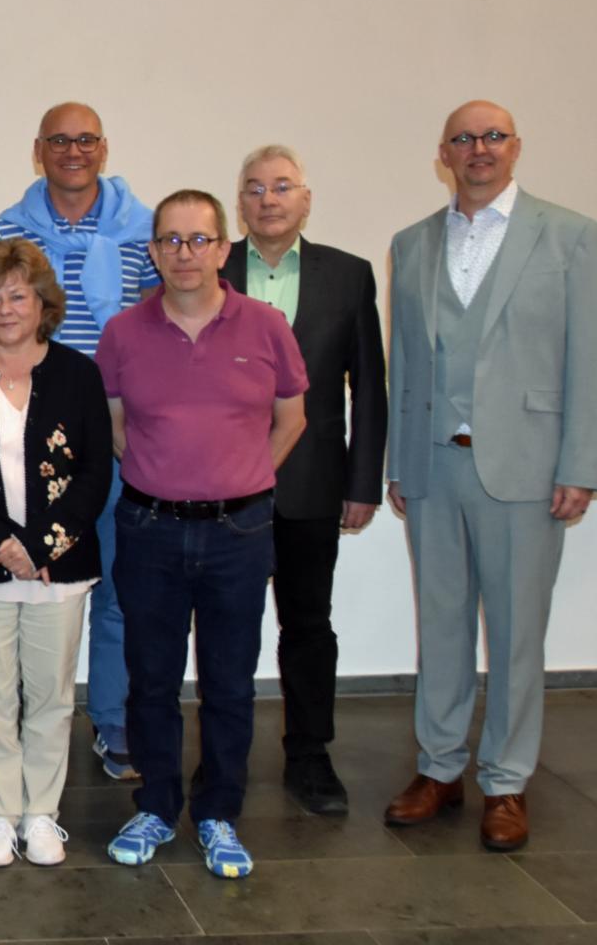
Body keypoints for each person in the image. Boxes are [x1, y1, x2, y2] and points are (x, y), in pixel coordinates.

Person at [380, 101, 597, 853]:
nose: (478, 149)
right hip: (434, 466)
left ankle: (505, 781)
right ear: (442, 152)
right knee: (440, 624)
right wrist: (399, 463)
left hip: (526, 466)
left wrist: (581, 464)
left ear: (516, 147)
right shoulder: (412, 244)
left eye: (492, 137)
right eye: (463, 139)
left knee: (515, 633)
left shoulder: (570, 235)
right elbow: (405, 363)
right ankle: (439, 766)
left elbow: (589, 359)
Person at [98, 191, 307, 880]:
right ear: (153, 251)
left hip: (239, 533)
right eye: (171, 241)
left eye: (199, 240)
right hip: (150, 528)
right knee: (150, 679)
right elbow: (117, 427)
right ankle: (156, 803)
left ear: (224, 249)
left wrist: (245, 477)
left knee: (229, 682)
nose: (184, 254)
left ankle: (218, 812)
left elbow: (293, 419)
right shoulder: (124, 333)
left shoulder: (267, 325)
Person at [0, 239, 112, 868]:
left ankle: (41, 814)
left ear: (42, 302)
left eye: (18, 295)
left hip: (59, 568)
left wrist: (39, 547)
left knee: (52, 695)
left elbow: (93, 477)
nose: (6, 308)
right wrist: (2, 544)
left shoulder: (78, 374)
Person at [0, 101, 157, 782]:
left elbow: (155, 331)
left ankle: (114, 724)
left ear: (104, 148)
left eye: (85, 139)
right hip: (30, 438)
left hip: (118, 434)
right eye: (59, 141)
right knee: (29, 584)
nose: (72, 151)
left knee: (117, 587)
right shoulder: (9, 231)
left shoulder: (146, 233)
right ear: (39, 150)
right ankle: (27, 725)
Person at [224, 145, 387, 815]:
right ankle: (224, 751)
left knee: (308, 624)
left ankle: (310, 754)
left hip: (315, 483)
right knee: (227, 626)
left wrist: (363, 481)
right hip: (224, 484)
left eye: (282, 187)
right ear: (241, 202)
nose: (268, 199)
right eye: (256, 188)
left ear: (305, 199)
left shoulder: (347, 276)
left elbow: (369, 386)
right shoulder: (211, 266)